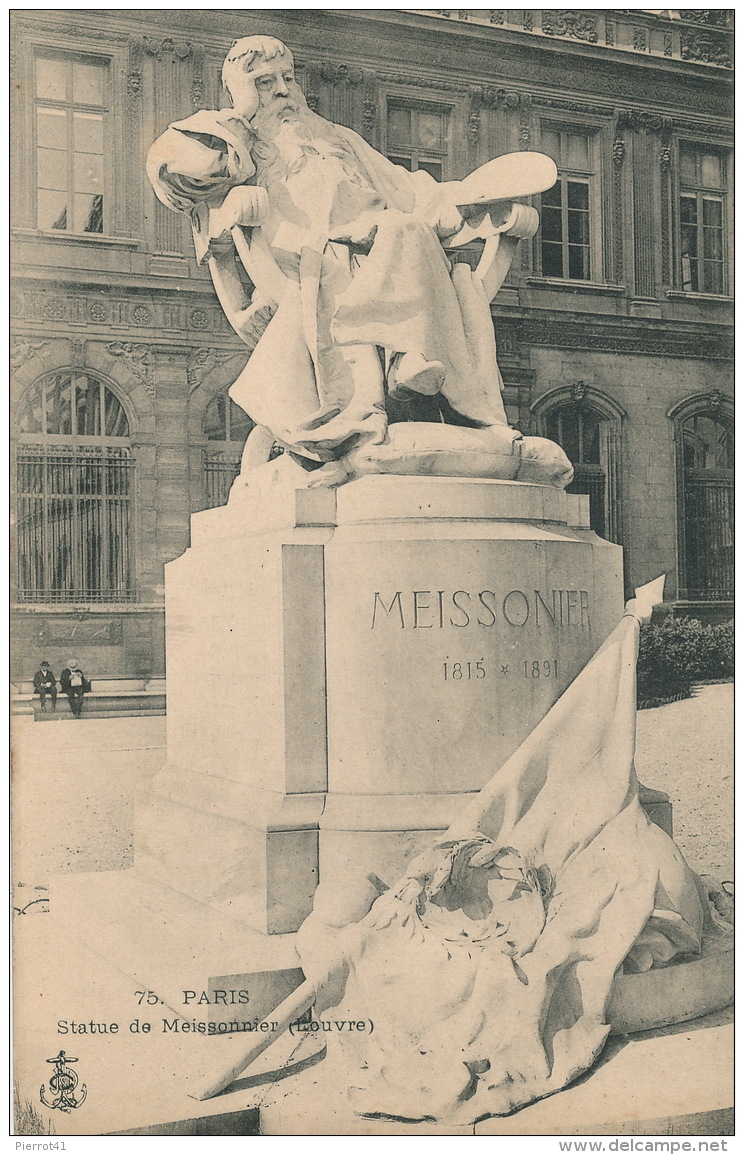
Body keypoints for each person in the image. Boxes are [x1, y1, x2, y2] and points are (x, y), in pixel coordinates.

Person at [147, 35, 571, 489]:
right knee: (396, 231)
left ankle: (412, 364)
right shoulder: (229, 138)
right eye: (265, 82)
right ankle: (406, 361)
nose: (284, 91)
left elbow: (409, 190)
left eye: (288, 78)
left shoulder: (335, 137)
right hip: (304, 257)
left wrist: (470, 204)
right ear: (240, 91)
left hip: (378, 245)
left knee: (405, 227)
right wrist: (234, 156)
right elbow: (170, 167)